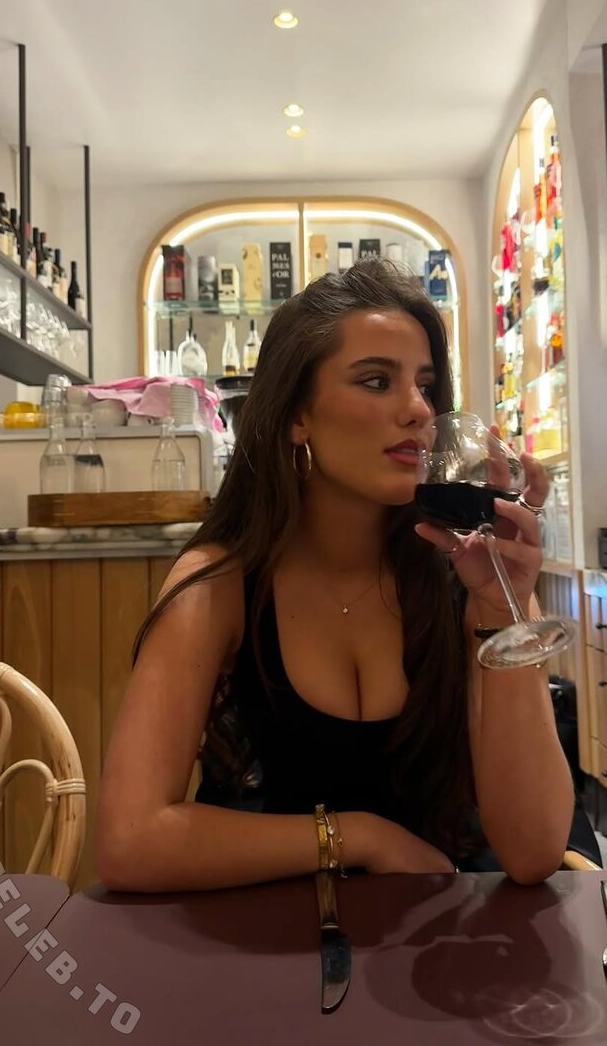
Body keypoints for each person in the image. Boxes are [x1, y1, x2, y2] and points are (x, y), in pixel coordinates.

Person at [97, 258, 574, 891]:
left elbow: (534, 852)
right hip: (275, 932)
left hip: (442, 932)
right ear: (298, 415)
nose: (417, 409)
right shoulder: (220, 583)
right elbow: (130, 840)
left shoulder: (465, 572)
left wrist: (500, 607)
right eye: (376, 381)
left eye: (426, 386)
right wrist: (361, 838)